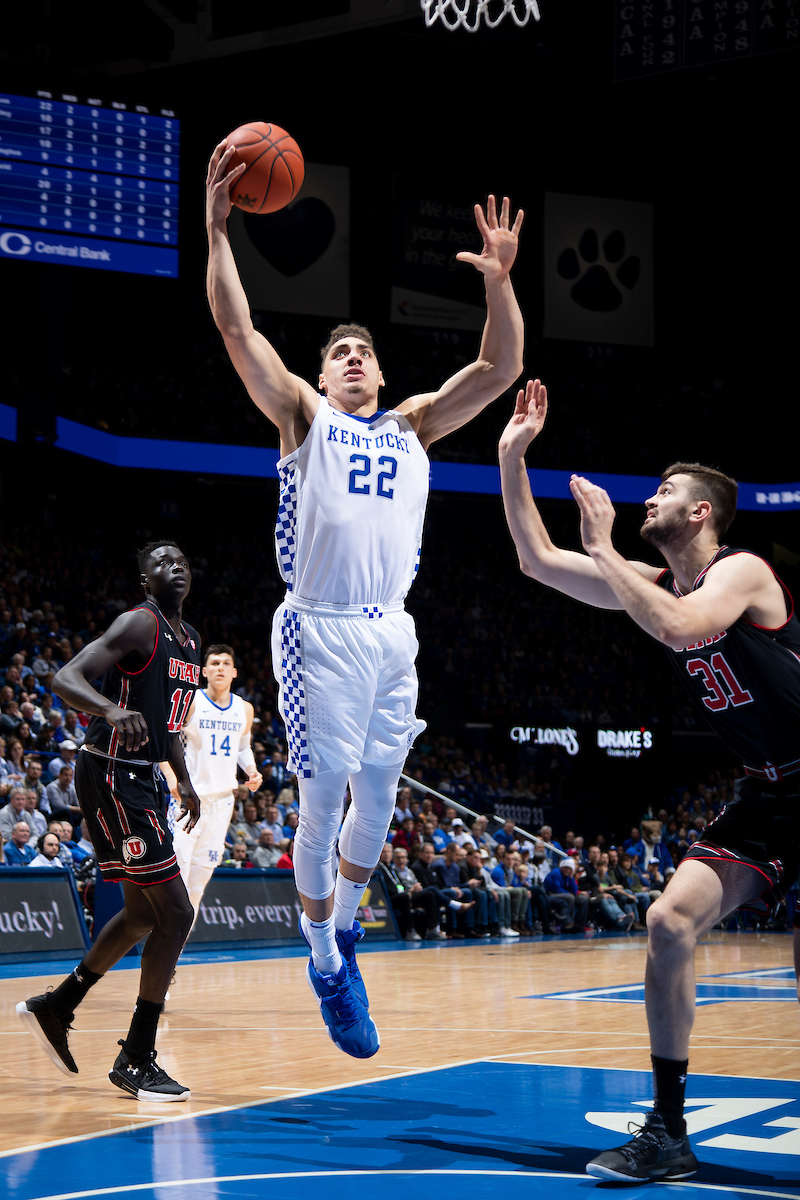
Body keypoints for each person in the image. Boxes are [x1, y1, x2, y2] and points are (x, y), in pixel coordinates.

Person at [206, 139, 524, 1059]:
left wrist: (500, 284)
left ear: (381, 376)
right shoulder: (303, 418)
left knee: (378, 800)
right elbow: (238, 332)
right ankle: (322, 963)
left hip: (393, 632)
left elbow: (498, 371)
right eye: (338, 350)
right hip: (318, 628)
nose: (350, 358)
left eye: (362, 352)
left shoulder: (415, 422)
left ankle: (344, 928)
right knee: (323, 802)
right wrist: (220, 230)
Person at [499, 378, 800, 1182]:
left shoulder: (742, 571)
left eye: (666, 492)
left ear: (700, 513)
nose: (650, 500)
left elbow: (677, 628)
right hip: (767, 793)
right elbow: (535, 560)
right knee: (669, 923)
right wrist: (511, 456)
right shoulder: (659, 581)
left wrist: (602, 547)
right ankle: (668, 1132)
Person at [17, 542, 202, 1102]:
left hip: (144, 777)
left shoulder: (189, 640)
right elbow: (65, 678)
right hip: (111, 771)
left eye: (182, 560)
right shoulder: (136, 624)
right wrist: (109, 709)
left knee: (145, 915)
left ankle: (58, 1007)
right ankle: (137, 1057)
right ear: (144, 580)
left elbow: (168, 721)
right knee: (175, 913)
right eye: (162, 562)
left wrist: (184, 777)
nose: (176, 566)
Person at [164, 644, 261, 920]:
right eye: (215, 663)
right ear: (204, 671)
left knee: (199, 883)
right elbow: (163, 737)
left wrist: (251, 770)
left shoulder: (244, 709)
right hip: (189, 801)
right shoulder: (191, 701)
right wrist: (172, 777)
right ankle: (159, 950)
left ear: (234, 672)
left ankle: (175, 954)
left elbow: (243, 747)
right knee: (176, 877)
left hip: (223, 802)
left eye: (225, 663)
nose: (220, 668)